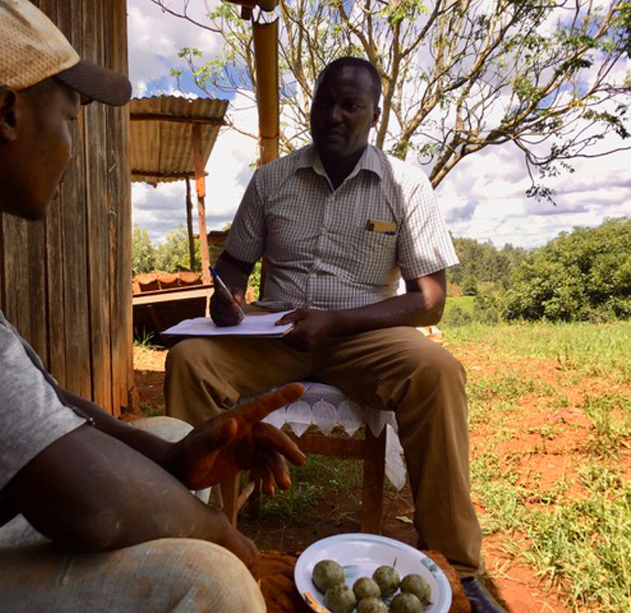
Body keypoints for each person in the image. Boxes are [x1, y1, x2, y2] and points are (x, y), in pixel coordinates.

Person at [0, 1, 307, 612]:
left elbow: (30, 400)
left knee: (168, 439)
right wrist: (231, 543)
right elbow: (87, 504)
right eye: (69, 117)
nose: (72, 150)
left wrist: (173, 458)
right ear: (6, 114)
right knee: (208, 582)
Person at [165, 57, 505, 612]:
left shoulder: (405, 184)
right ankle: (198, 539)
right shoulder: (273, 180)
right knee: (190, 361)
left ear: (374, 115)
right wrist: (223, 297)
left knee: (437, 371)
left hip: (361, 335)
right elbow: (233, 264)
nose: (334, 115)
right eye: (326, 102)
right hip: (274, 333)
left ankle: (458, 569)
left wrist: (339, 322)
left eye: (351, 105)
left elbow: (430, 300)